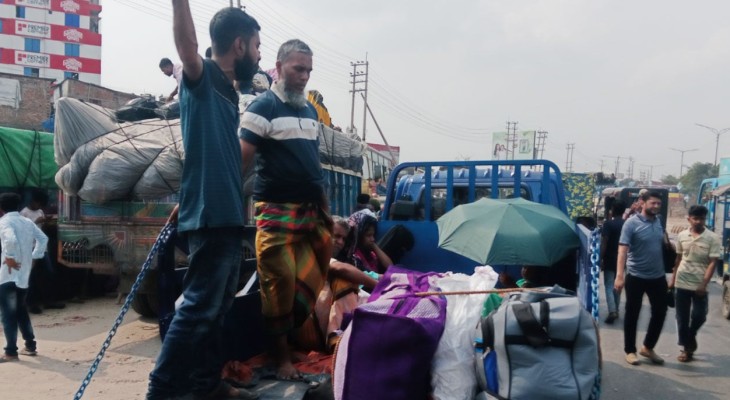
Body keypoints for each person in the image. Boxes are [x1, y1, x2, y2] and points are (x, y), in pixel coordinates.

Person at [146, 3, 261, 400]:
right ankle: (161, 390)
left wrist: (186, 199)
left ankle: (205, 384)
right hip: (213, 215)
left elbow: (209, 153)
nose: (259, 56)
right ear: (239, 45)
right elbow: (188, 48)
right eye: (257, 47)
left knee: (218, 307)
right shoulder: (205, 76)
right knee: (198, 308)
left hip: (222, 213)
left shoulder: (228, 94)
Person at [239, 39, 332, 380]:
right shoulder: (263, 107)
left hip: (311, 211)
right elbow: (240, 162)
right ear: (278, 68)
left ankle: (288, 344)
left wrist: (324, 207)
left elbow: (312, 165)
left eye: (308, 70)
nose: (304, 76)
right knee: (278, 285)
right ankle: (280, 359)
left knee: (310, 276)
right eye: (298, 69)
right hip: (277, 212)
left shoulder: (309, 111)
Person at [614, 191, 668, 366]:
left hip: (658, 276)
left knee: (660, 312)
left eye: (658, 203)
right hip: (636, 276)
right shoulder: (631, 223)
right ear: (642, 203)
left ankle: (648, 347)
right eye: (653, 203)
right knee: (632, 314)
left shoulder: (659, 221)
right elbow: (622, 250)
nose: (656, 206)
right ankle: (630, 351)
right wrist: (619, 276)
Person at [669, 205, 721, 362]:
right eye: (695, 218)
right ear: (689, 219)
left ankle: (690, 337)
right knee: (682, 318)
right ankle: (686, 349)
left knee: (700, 316)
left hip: (700, 285)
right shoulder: (682, 235)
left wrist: (703, 284)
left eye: (702, 219)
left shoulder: (712, 238)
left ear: (705, 219)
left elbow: (713, 262)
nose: (698, 221)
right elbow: (678, 259)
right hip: (682, 282)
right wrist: (672, 280)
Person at [0, 193, 48, 362]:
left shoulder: (4, 222)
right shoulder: (27, 222)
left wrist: (10, 257)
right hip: (24, 274)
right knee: (21, 311)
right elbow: (43, 238)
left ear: (1, 208)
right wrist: (35, 256)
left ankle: (11, 352)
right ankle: (30, 345)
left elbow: (10, 239)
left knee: (8, 314)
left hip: (8, 275)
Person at [21, 189, 64, 314]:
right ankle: (31, 304)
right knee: (31, 277)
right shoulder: (24, 213)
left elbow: (41, 229)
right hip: (30, 249)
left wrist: (46, 222)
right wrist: (36, 222)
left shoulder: (40, 211)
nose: (40, 207)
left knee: (48, 274)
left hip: (42, 248)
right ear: (34, 201)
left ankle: (48, 301)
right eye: (39, 204)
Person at [601, 200, 626, 324]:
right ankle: (616, 308)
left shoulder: (608, 224)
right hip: (623, 259)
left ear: (612, 210)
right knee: (618, 285)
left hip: (609, 258)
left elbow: (604, 242)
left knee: (609, 285)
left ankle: (612, 311)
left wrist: (600, 257)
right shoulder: (627, 224)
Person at [347, 209, 393, 274]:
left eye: (373, 235)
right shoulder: (354, 257)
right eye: (368, 235)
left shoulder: (370, 253)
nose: (373, 239)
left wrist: (374, 247)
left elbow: (390, 266)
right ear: (358, 236)